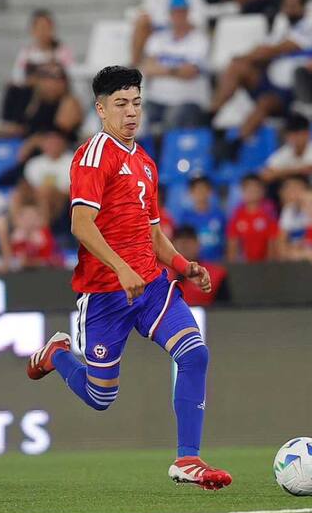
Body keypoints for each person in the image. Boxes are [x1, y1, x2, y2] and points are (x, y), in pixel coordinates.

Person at [25, 65, 231, 490]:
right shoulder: (93, 155)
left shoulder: (146, 162)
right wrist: (120, 267)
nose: (131, 112)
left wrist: (182, 266)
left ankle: (187, 460)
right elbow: (81, 224)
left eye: (136, 102)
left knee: (195, 354)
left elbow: (152, 231)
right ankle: (57, 354)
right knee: (101, 398)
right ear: (101, 110)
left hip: (152, 286)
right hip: (105, 294)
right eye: (120, 104)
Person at [210, 0, 312, 138]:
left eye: (294, 6)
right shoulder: (282, 23)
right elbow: (264, 47)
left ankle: (236, 143)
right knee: (237, 67)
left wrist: (248, 56)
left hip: (293, 90)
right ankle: (209, 117)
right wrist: (245, 59)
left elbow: (275, 49)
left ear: (303, 6)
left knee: (265, 102)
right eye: (286, 6)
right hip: (270, 79)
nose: (289, 10)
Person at [135, 0, 209, 132]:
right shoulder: (158, 38)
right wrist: (175, 70)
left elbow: (190, 72)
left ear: (187, 13)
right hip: (156, 99)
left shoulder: (199, 40)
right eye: (175, 12)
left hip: (187, 100)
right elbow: (147, 68)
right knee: (131, 118)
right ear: (170, 14)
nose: (178, 16)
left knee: (172, 119)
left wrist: (162, 69)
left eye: (181, 12)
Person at [1, 9, 75, 126]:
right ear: (33, 30)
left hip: (53, 96)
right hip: (30, 92)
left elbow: (70, 75)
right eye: (39, 28)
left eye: (46, 27)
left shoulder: (61, 52)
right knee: (13, 89)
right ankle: (12, 123)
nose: (43, 32)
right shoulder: (26, 53)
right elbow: (17, 76)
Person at [12, 128, 72, 228]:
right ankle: (18, 229)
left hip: (64, 196)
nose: (53, 146)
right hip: (37, 193)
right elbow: (29, 185)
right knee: (16, 195)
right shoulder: (34, 163)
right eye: (49, 143)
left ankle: (44, 229)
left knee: (45, 192)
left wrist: (48, 191)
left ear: (63, 144)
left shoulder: (72, 160)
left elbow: (73, 188)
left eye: (56, 143)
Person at [260, 114, 312, 186]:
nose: (294, 139)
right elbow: (266, 173)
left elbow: (308, 170)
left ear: (308, 134)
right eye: (291, 135)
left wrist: (278, 173)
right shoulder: (286, 150)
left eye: (298, 134)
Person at [167, 225, 225, 306]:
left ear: (198, 244)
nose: (185, 245)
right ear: (171, 244)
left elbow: (224, 309)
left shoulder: (216, 274)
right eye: (181, 240)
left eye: (189, 240)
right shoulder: (161, 272)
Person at [227, 173, 278, 263]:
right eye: (248, 189)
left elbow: (272, 241)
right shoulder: (237, 215)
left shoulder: (269, 213)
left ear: (262, 191)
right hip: (244, 265)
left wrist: (270, 265)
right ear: (242, 192)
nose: (252, 192)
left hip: (265, 264)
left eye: (255, 189)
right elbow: (233, 243)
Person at [174, 175, 225, 262]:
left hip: (216, 263)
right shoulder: (185, 217)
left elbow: (227, 241)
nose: (200, 192)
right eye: (197, 189)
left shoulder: (219, 216)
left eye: (204, 189)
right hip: (193, 265)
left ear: (210, 191)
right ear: (191, 192)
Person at [8, 202, 61, 270]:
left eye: (32, 217)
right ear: (18, 220)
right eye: (25, 218)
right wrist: (20, 242)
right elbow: (13, 259)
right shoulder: (15, 236)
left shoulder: (45, 233)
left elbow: (48, 258)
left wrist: (41, 245)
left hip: (44, 271)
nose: (29, 221)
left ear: (39, 219)